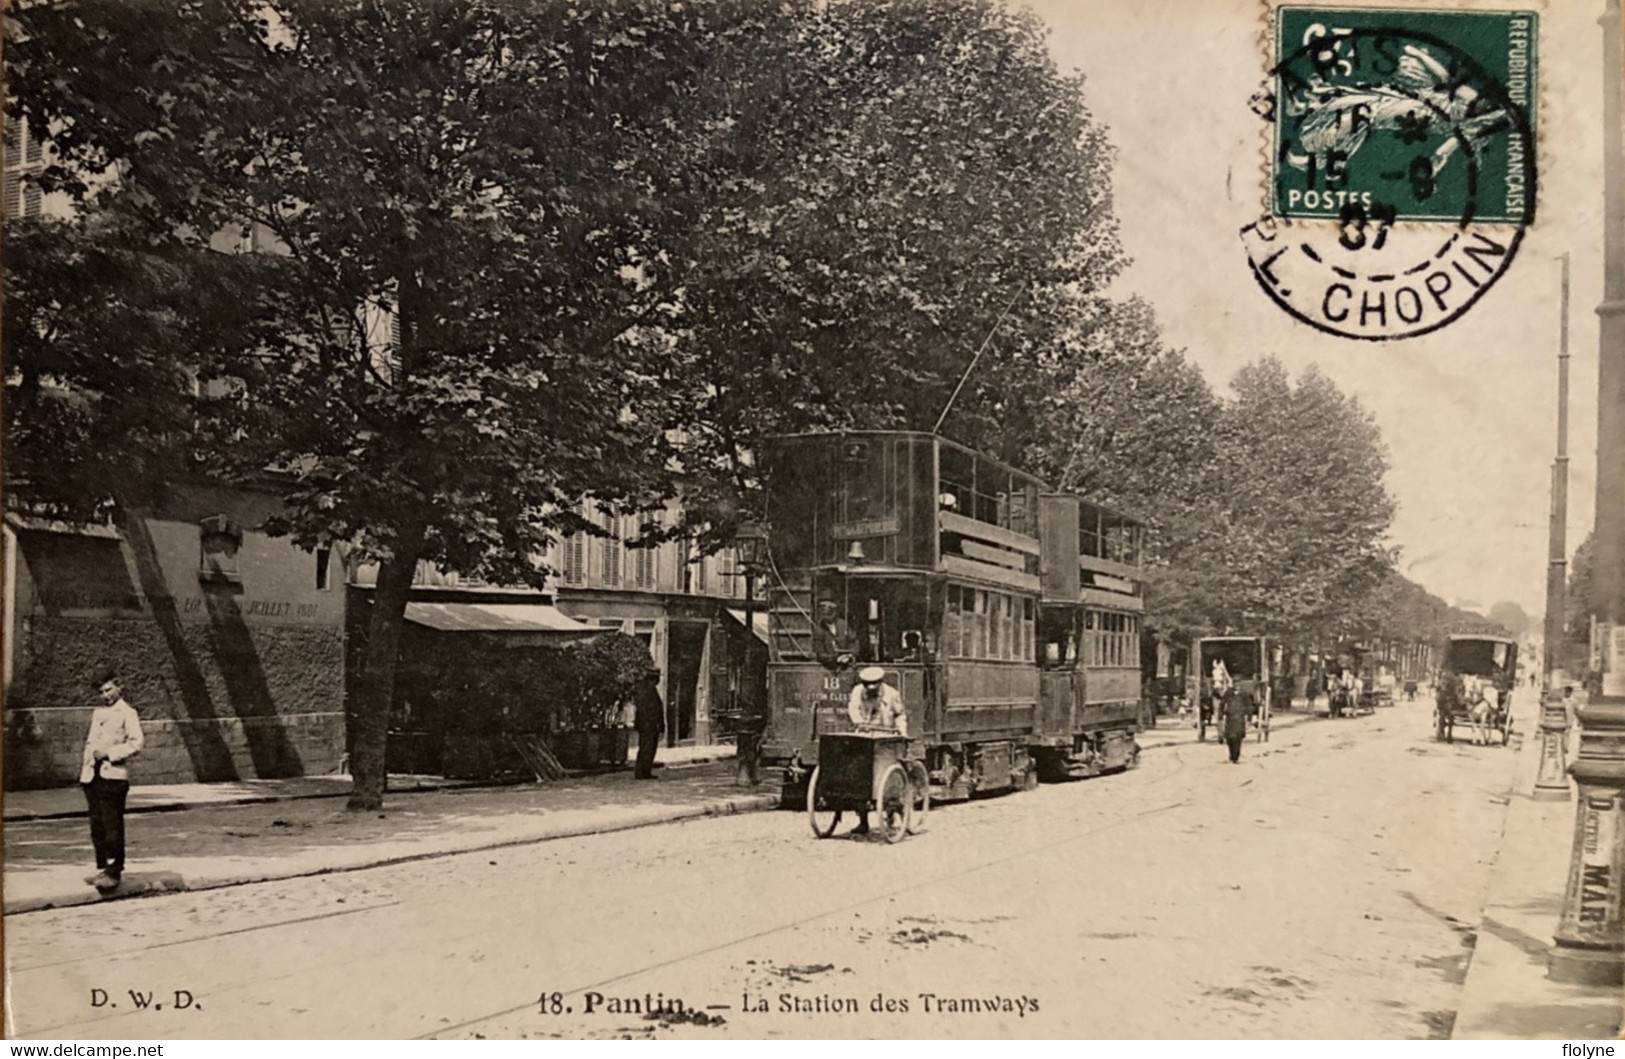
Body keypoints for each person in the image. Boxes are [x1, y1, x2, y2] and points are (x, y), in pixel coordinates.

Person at [81, 672, 145, 891]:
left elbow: (136, 743)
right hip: (93, 776)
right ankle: (103, 868)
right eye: (101, 692)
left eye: (108, 690)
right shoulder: (98, 713)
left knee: (112, 826)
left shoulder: (127, 713)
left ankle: (114, 871)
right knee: (97, 826)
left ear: (119, 687)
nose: (105, 695)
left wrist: (109, 753)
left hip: (113, 777)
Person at [846, 666, 909, 835]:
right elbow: (853, 709)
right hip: (865, 734)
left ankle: (894, 811)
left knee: (886, 777)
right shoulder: (857, 691)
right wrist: (859, 723)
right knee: (860, 777)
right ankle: (863, 821)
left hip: (885, 736)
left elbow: (900, 714)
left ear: (880, 683)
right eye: (867, 684)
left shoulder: (892, 694)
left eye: (874, 684)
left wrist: (901, 731)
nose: (870, 688)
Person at [633, 667, 665, 779]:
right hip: (648, 725)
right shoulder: (647, 690)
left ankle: (644, 771)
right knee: (647, 748)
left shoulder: (646, 688)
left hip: (646, 725)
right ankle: (643, 772)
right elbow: (649, 710)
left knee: (646, 748)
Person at [813, 600, 857, 669]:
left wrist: (850, 655)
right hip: (829, 667)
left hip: (847, 665)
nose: (828, 618)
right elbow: (820, 653)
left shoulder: (843, 625)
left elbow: (854, 642)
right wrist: (835, 659)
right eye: (825, 615)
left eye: (830, 614)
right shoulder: (819, 630)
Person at [1219, 684, 1254, 764]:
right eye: (1235, 684)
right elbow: (1222, 704)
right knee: (1229, 738)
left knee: (1238, 738)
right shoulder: (1228, 693)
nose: (1237, 686)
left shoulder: (1244, 694)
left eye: (1238, 685)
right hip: (1230, 719)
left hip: (1239, 719)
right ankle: (1231, 755)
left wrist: (1249, 718)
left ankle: (1236, 757)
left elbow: (1249, 706)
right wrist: (1220, 716)